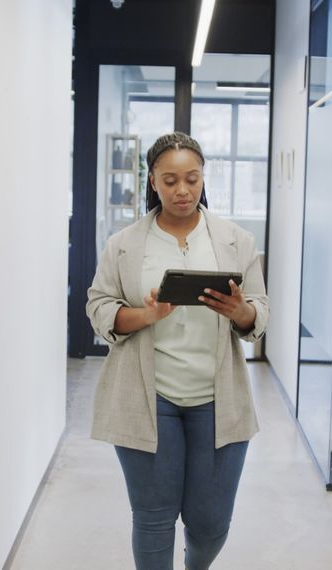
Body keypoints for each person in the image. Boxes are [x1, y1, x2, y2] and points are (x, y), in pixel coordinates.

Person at [86, 132, 269, 570]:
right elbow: (99, 306)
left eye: (192, 179)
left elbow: (258, 315)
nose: (182, 190)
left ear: (204, 177)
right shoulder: (124, 243)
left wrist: (240, 310)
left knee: (210, 524)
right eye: (170, 181)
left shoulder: (236, 241)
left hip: (216, 398)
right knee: (152, 519)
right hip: (149, 396)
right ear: (152, 181)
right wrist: (146, 315)